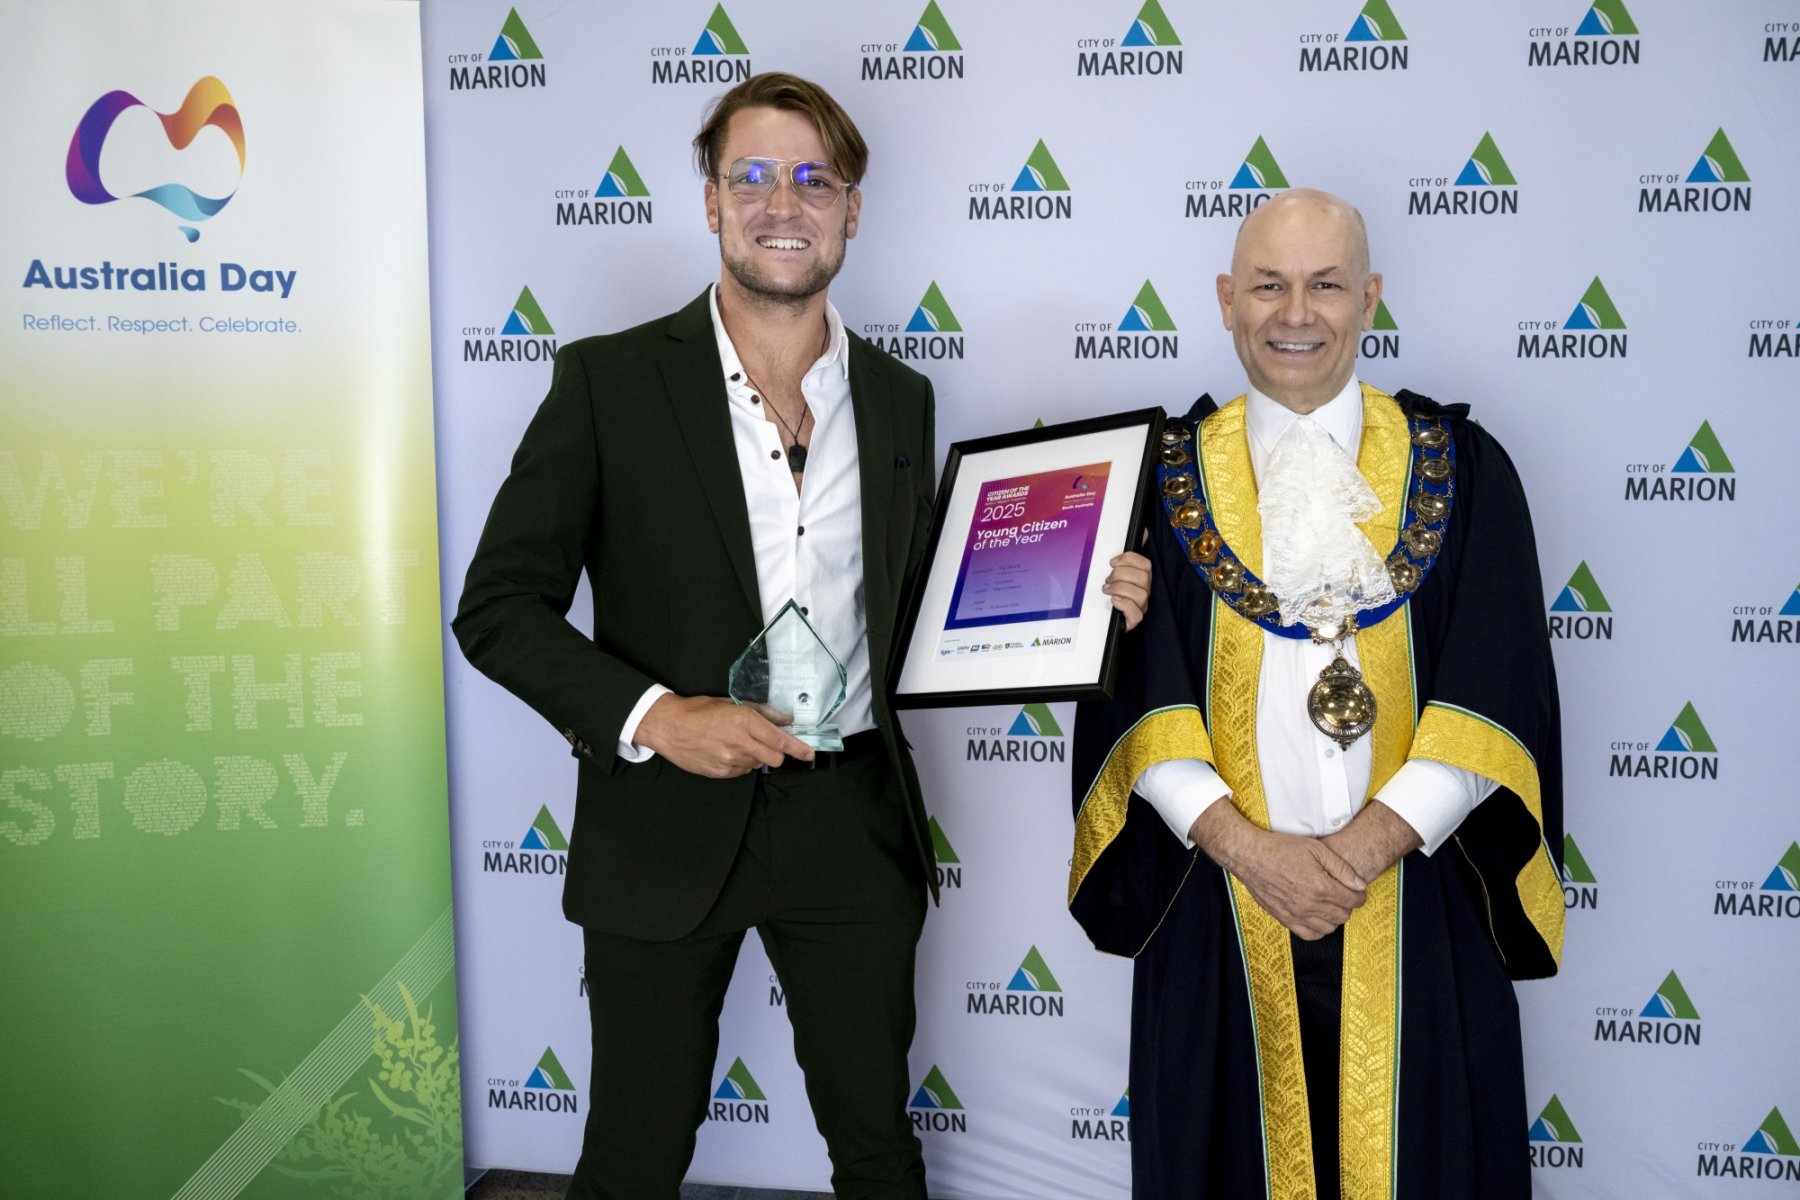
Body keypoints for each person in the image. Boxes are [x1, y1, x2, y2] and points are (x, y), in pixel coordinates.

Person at [455, 73, 1148, 1200]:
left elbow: (918, 605)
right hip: (663, 819)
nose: (785, 203)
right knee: (633, 1154)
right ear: (713, 203)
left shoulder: (900, 396)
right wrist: (658, 719)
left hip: (850, 817)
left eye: (815, 180)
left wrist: (1081, 596)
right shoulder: (608, 381)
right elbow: (497, 608)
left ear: (852, 210)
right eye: (755, 177)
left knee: (877, 1146)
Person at [1068, 189, 1563, 1199]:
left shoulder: (1464, 469)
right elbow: (1139, 709)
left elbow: (1493, 689)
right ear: (1226, 300)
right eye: (1268, 286)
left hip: (1419, 900)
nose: (1296, 313)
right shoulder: (1152, 479)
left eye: (1326, 285)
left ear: (1369, 298)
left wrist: (1357, 854)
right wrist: (1255, 856)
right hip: (1220, 906)